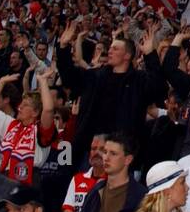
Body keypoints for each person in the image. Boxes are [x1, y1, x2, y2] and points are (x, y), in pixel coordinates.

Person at [58, 22, 167, 170]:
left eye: (115, 49)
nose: (109, 51)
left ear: (127, 55)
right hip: (90, 150)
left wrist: (150, 55)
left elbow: (159, 88)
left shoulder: (139, 81)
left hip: (122, 154)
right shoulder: (96, 76)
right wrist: (63, 47)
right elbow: (69, 77)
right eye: (110, 48)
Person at [0, 70, 57, 185]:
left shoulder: (41, 129)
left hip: (28, 180)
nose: (20, 107)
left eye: (25, 105)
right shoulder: (12, 125)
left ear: (35, 112)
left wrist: (43, 81)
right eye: (21, 104)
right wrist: (1, 82)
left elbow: (48, 109)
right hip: (2, 178)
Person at [59, 134, 105, 212]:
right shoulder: (77, 179)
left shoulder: (111, 182)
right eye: (93, 149)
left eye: (102, 149)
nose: (96, 153)